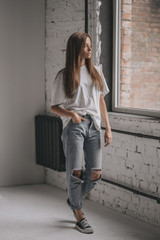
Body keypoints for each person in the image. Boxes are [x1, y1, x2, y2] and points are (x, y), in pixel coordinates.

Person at [50, 32, 112, 234]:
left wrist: (108, 128)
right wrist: (72, 115)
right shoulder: (64, 75)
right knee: (75, 172)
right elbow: (54, 107)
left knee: (95, 174)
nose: (90, 49)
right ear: (76, 48)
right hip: (75, 127)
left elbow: (101, 101)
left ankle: (73, 198)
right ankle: (79, 214)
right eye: (86, 45)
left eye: (90, 45)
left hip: (94, 125)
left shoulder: (96, 71)